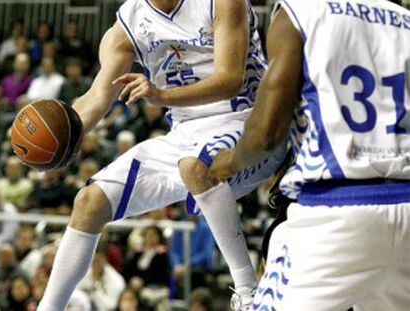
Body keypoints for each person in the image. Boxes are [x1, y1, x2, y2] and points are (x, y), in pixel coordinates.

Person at [37, 1, 287, 310]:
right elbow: (98, 95)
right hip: (184, 134)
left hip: (248, 123)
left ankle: (248, 294)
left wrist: (160, 95)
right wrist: (67, 135)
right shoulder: (128, 21)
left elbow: (229, 80)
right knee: (89, 202)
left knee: (193, 167)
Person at [210, 0, 410, 310]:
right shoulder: (405, 19)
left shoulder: (299, 12)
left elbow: (266, 134)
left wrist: (230, 162)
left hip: (336, 211)